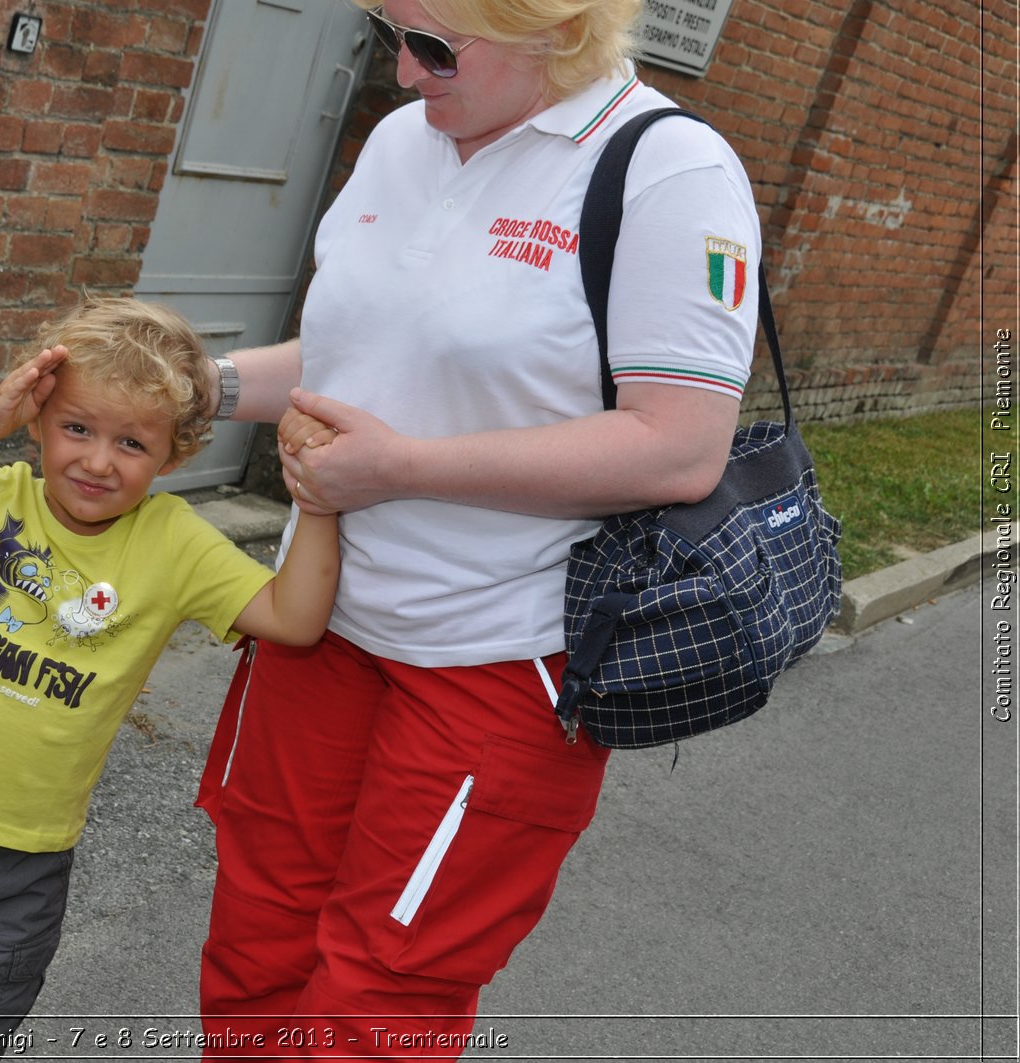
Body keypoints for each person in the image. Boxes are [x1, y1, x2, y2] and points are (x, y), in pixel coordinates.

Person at [194, 0, 760, 1056]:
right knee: (254, 939)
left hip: (498, 655)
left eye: (434, 47)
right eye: (383, 32)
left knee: (382, 993)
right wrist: (195, 385)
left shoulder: (669, 173)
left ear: (560, 29)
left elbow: (678, 446)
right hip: (321, 620)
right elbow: (353, 358)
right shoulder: (403, 141)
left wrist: (402, 469)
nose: (403, 73)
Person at [0, 298, 340, 1061]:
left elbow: (295, 619)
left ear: (174, 453)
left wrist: (318, 498)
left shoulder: (174, 544)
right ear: (37, 418)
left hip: (19, 862)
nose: (98, 460)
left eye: (132, 441)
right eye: (77, 428)